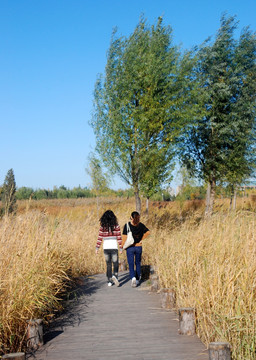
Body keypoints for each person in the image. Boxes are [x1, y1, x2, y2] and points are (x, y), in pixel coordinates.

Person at [122, 211, 150, 287]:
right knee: (137, 262)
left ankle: (133, 278)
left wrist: (122, 246)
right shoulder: (141, 225)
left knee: (130, 263)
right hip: (138, 247)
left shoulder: (127, 225)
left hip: (130, 247)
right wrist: (141, 238)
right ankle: (137, 279)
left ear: (131, 217)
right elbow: (148, 232)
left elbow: (124, 237)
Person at [96, 210, 123, 287]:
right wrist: (121, 247)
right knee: (115, 263)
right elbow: (119, 237)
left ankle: (109, 281)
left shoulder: (102, 227)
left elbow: (100, 238)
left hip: (106, 248)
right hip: (114, 247)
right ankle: (115, 276)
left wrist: (97, 248)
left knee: (108, 264)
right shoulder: (116, 226)